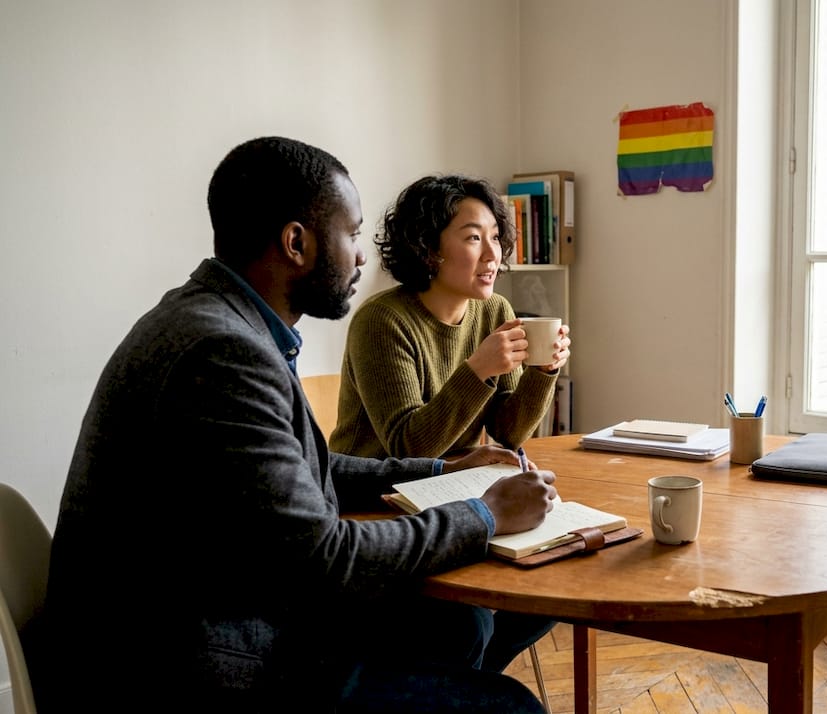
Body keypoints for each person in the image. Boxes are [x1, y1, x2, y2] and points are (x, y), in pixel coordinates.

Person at [36, 136, 555, 713]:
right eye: (352, 234)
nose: (362, 257)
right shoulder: (222, 350)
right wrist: (485, 513)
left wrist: (442, 468)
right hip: (178, 668)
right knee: (509, 705)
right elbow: (324, 560)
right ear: (296, 243)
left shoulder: (218, 321)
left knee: (456, 629)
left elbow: (306, 467)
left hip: (207, 621)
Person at [328, 174, 571, 460]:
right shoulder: (381, 320)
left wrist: (542, 372)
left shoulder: (494, 310)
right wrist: (478, 369)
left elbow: (509, 433)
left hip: (453, 480)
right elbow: (408, 449)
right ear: (429, 249)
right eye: (474, 238)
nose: (492, 253)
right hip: (372, 492)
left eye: (494, 236)